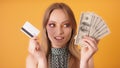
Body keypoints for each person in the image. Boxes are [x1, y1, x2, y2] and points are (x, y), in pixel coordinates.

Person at [26, 3, 99, 68]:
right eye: (52, 25)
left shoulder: (85, 57)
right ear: (45, 28)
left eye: (66, 25)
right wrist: (42, 61)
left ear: (72, 28)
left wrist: (84, 62)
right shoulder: (32, 59)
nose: (59, 32)